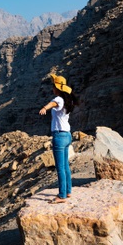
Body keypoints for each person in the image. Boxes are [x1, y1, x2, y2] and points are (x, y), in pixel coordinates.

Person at [38, 74, 79, 204]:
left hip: (60, 136)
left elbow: (54, 103)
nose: (52, 88)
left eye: (53, 86)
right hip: (67, 135)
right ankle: (68, 191)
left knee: (60, 167)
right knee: (65, 165)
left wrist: (45, 108)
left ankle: (62, 196)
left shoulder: (59, 99)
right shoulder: (68, 101)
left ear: (57, 88)